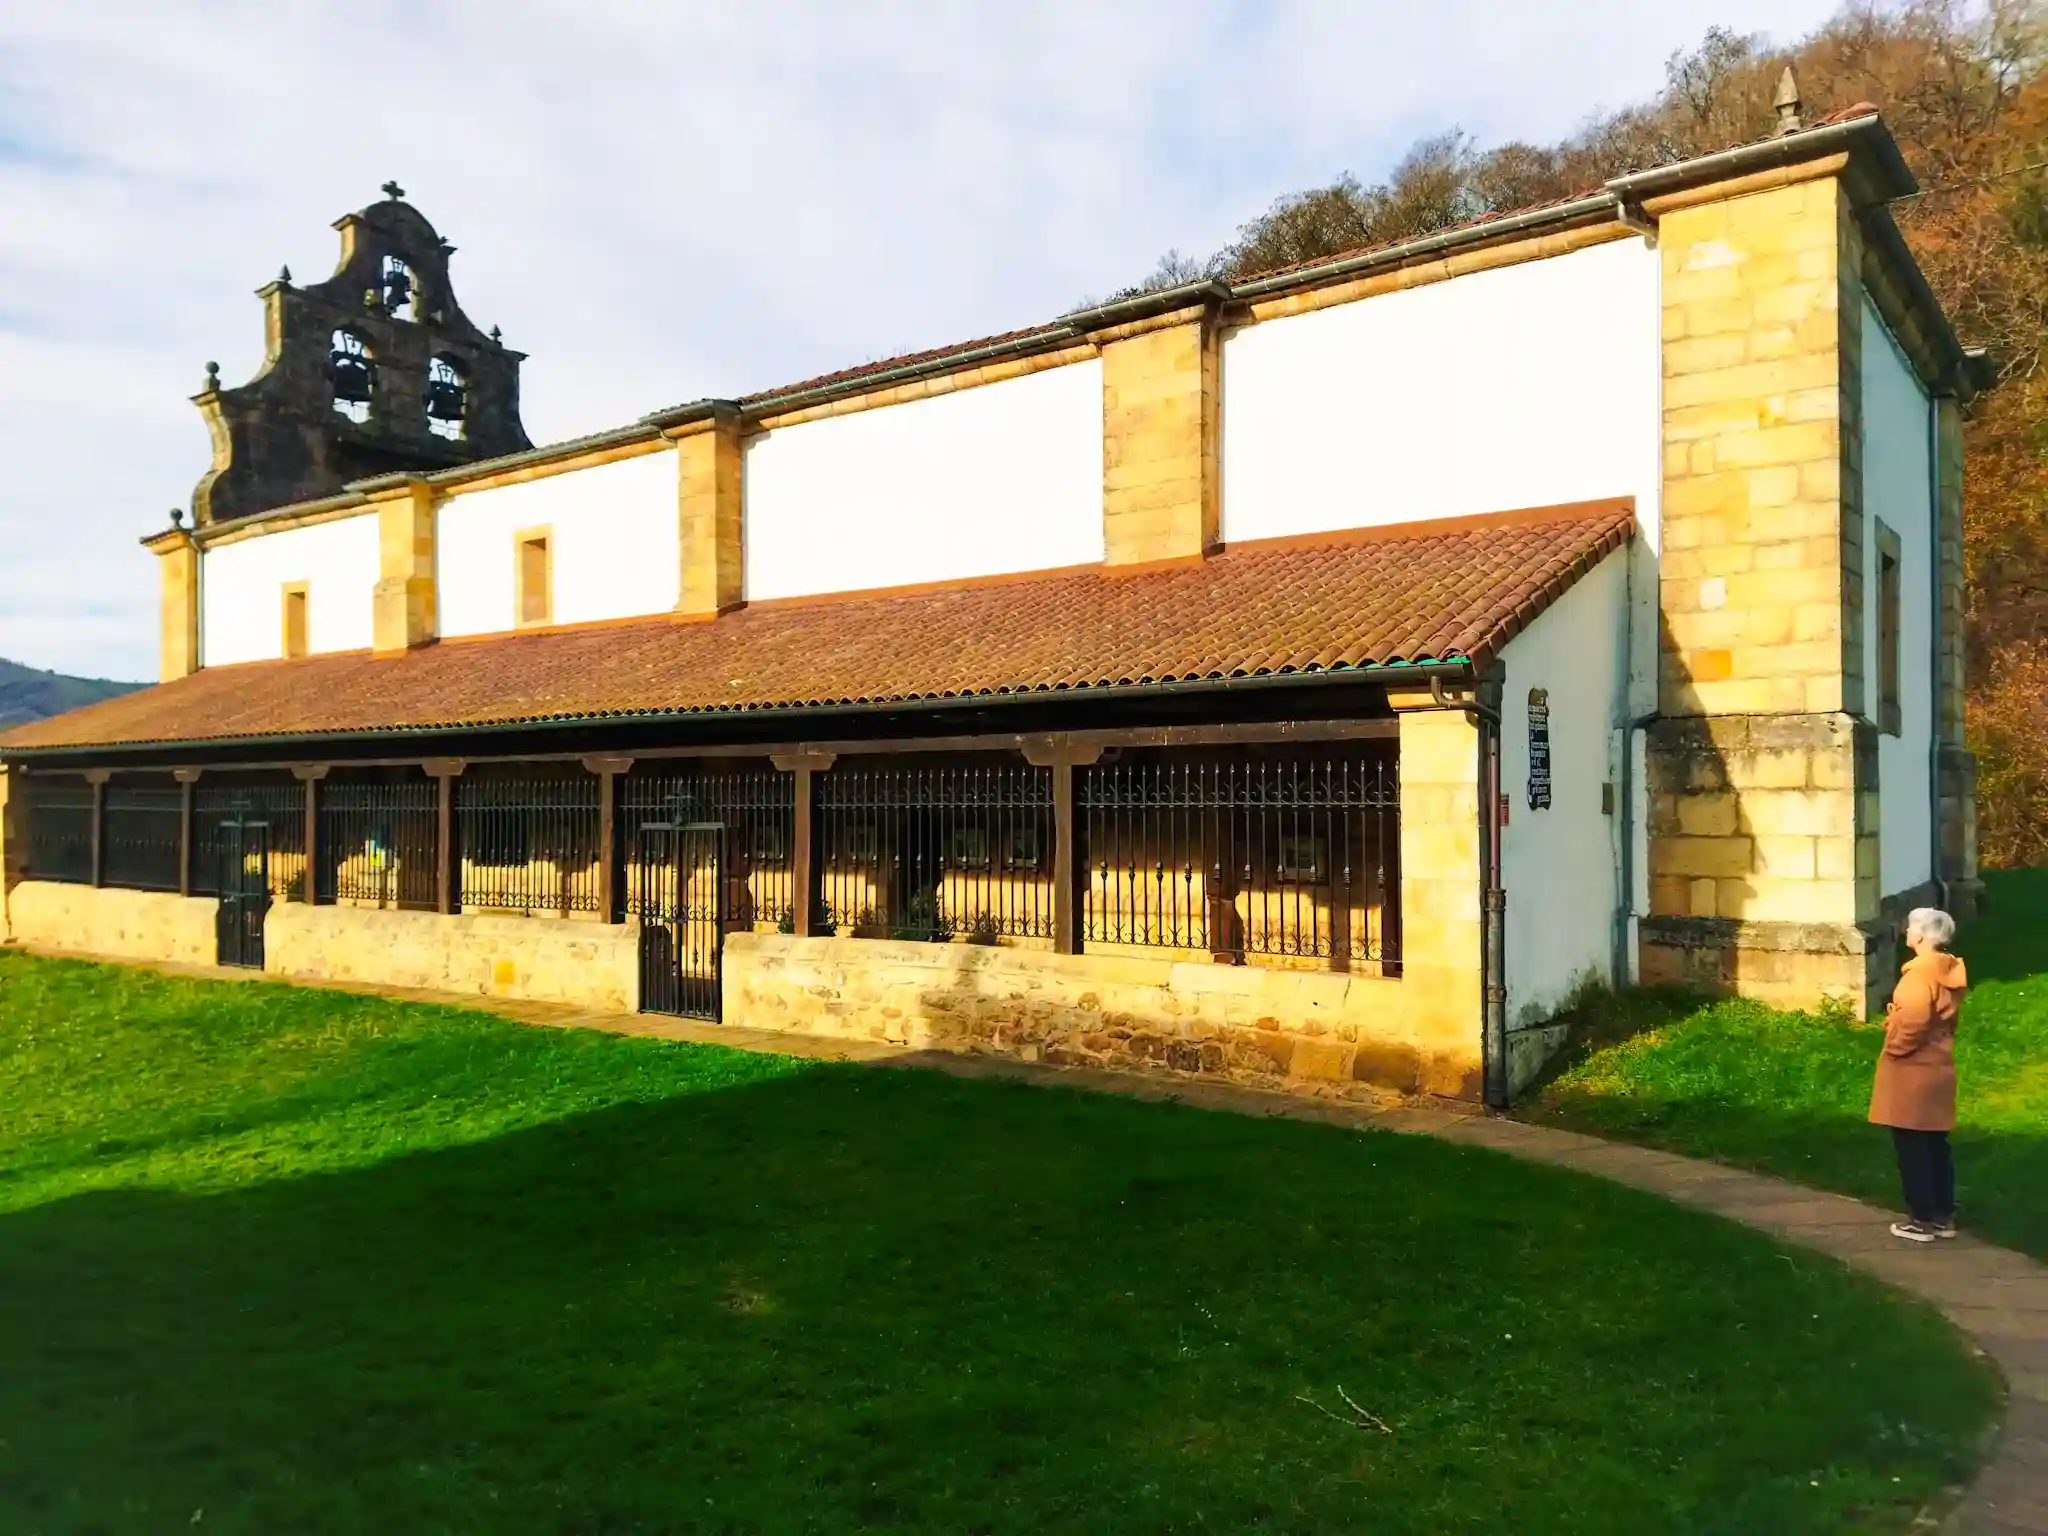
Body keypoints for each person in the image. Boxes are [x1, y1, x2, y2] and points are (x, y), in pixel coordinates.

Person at [1868, 907, 1968, 1243]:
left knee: (1911, 1145)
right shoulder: (1947, 971)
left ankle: (1920, 1220)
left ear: (1922, 935)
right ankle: (1942, 1216)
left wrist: (1894, 1047)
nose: (1906, 933)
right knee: (1936, 1144)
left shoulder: (1918, 975)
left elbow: (1913, 1021)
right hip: (1939, 1065)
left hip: (1913, 1071)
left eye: (1910, 928)